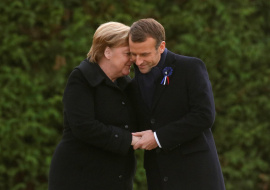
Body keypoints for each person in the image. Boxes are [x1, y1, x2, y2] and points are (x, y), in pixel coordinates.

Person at [129, 18, 226, 190]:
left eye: (144, 54)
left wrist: (158, 138)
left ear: (161, 46)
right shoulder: (133, 82)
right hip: (159, 176)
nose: (138, 61)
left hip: (196, 175)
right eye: (133, 54)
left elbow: (204, 116)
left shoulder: (190, 68)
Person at [48, 22, 140, 190]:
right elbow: (83, 126)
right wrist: (129, 139)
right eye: (128, 53)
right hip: (79, 177)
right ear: (107, 52)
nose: (132, 59)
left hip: (117, 179)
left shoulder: (127, 85)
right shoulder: (81, 79)